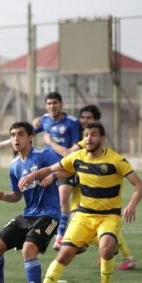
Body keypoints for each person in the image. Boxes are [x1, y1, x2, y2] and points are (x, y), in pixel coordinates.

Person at [19, 122, 142, 283]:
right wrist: (33, 176)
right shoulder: (77, 157)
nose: (89, 138)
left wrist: (131, 205)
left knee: (106, 248)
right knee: (63, 255)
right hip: (83, 216)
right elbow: (52, 168)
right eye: (86, 135)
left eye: (93, 134)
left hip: (109, 216)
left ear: (102, 139)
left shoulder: (116, 160)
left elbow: (139, 185)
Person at [0, 122, 61, 283]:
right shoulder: (14, 166)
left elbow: (67, 168)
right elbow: (17, 195)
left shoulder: (44, 155)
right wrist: (4, 197)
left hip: (49, 215)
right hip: (28, 215)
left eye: (20, 134)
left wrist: (52, 176)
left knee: (28, 249)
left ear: (30, 137)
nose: (15, 139)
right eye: (12, 135)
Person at [70, 105, 136, 270]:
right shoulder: (84, 139)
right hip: (81, 186)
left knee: (91, 222)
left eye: (89, 118)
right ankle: (120, 253)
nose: (85, 120)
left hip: (94, 190)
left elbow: (67, 153)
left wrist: (49, 141)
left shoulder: (85, 143)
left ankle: (104, 248)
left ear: (97, 121)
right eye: (83, 117)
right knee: (105, 228)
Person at [33, 92, 81, 251]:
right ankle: (48, 234)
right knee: (47, 202)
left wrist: (50, 142)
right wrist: (4, 143)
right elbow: (26, 132)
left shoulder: (72, 122)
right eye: (49, 103)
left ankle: (60, 237)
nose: (52, 106)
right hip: (49, 167)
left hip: (66, 167)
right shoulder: (44, 120)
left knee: (63, 198)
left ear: (61, 104)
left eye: (55, 103)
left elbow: (70, 153)